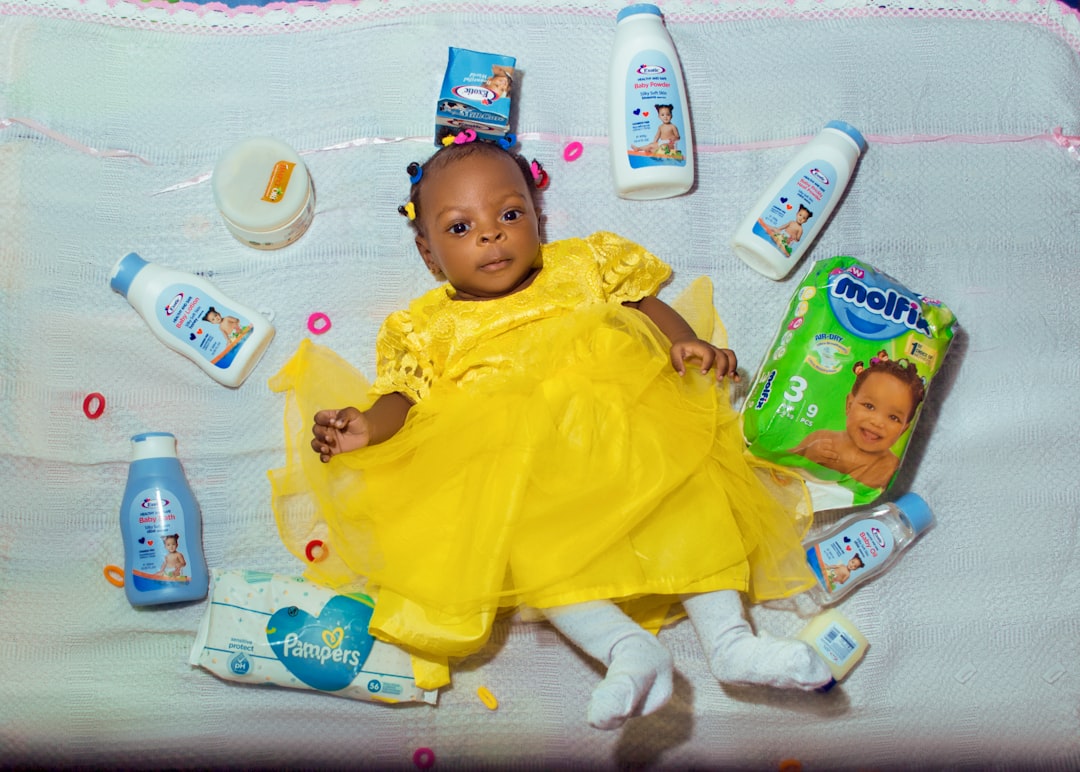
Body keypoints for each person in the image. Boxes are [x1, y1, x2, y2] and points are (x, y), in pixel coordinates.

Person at [269, 137, 831, 730]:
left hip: (629, 433)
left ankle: (730, 641)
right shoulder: (424, 326)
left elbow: (642, 304)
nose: (490, 235)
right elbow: (401, 400)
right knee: (540, 555)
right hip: (522, 468)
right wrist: (366, 427)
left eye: (509, 215)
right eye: (460, 229)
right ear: (428, 254)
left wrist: (681, 341)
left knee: (690, 504)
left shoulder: (583, 263)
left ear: (537, 219)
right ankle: (626, 650)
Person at [791, 357, 926, 490]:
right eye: (869, 406)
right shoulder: (822, 438)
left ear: (903, 430)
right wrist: (807, 454)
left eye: (893, 417)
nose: (877, 422)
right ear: (849, 405)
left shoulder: (889, 466)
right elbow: (783, 460)